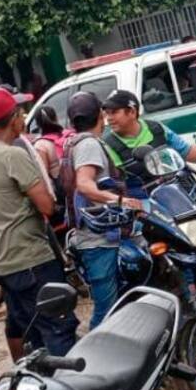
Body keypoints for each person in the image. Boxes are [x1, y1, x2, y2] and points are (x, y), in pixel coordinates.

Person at [0, 87, 76, 359]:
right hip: (31, 259)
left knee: (30, 329)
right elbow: (46, 206)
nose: (23, 118)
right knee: (58, 327)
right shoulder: (12, 155)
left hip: (0, 262)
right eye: (20, 113)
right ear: (14, 119)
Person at [65, 92, 139, 329]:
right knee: (106, 311)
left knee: (115, 303)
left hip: (96, 237)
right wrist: (119, 200)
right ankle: (94, 360)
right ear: (100, 115)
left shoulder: (75, 142)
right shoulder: (88, 144)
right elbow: (85, 184)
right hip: (97, 239)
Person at [101, 90, 196, 186]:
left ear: (132, 112)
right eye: (107, 114)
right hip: (148, 205)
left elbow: (187, 151)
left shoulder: (156, 128)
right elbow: (118, 184)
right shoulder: (109, 145)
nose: (109, 118)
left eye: (114, 113)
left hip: (181, 189)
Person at [31, 106, 71, 183]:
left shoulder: (41, 145)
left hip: (60, 189)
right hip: (75, 184)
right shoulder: (68, 136)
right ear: (56, 118)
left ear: (37, 123)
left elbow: (44, 176)